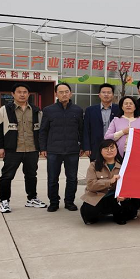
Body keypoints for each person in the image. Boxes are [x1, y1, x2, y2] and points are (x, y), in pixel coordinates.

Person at [0, 82, 46, 213]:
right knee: (7, 176)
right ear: (13, 94)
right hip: (13, 150)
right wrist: (0, 147)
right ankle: (4, 201)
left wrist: (42, 147)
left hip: (32, 149)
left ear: (28, 94)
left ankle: (32, 198)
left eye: (25, 92)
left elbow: (41, 131)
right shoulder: (4, 110)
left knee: (31, 175)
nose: (22, 94)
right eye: (19, 92)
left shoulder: (36, 110)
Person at [40, 82, 84, 212]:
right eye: (61, 92)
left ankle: (69, 202)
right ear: (56, 94)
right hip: (54, 150)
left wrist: (82, 146)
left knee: (72, 178)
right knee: (52, 178)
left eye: (66, 92)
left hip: (72, 150)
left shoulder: (78, 110)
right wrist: (43, 148)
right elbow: (43, 131)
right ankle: (53, 202)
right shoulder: (48, 110)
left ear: (71, 93)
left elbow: (81, 130)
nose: (64, 94)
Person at [80, 139, 137, 225]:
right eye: (106, 148)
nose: (109, 150)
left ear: (117, 149)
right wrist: (109, 181)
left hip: (115, 198)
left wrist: (125, 196)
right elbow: (91, 185)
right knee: (89, 216)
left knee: (131, 214)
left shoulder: (124, 165)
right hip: (98, 197)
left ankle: (117, 214)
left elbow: (131, 185)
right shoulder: (93, 165)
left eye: (112, 147)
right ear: (100, 151)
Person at [83, 83, 119, 162]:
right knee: (97, 168)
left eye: (109, 92)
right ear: (99, 95)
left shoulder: (119, 109)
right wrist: (86, 147)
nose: (106, 94)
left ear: (113, 95)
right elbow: (86, 129)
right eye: (103, 92)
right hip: (95, 146)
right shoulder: (90, 110)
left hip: (115, 146)